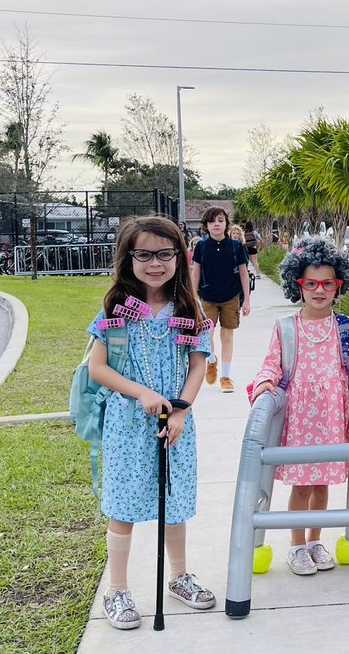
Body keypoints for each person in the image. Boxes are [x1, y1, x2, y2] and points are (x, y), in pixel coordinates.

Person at [85, 215, 216, 629]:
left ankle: (178, 576)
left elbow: (198, 366)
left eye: (165, 253)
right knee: (123, 505)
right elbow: (98, 368)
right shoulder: (116, 309)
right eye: (144, 254)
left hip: (175, 425)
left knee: (173, 503)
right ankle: (117, 590)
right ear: (128, 259)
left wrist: (182, 410)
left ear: (179, 256)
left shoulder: (187, 309)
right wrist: (140, 392)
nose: (155, 263)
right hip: (127, 425)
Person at [249, 236, 349, 575]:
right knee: (302, 484)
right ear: (298, 285)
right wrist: (264, 384)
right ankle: (296, 545)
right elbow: (272, 364)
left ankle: (316, 540)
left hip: (333, 418)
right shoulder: (287, 328)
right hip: (300, 420)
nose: (320, 291)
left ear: (339, 286)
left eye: (328, 284)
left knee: (321, 484)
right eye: (311, 283)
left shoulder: (346, 328)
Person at [191, 207, 251, 393]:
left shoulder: (235, 246)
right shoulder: (201, 246)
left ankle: (225, 376)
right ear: (206, 226)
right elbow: (195, 273)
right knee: (206, 335)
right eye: (211, 221)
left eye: (220, 220)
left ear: (226, 223)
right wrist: (193, 298)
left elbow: (243, 273)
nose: (216, 224)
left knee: (227, 336)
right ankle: (211, 361)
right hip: (207, 298)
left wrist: (247, 300)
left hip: (230, 297)